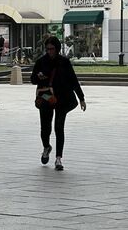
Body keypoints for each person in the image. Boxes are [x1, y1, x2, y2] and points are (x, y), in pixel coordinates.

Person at [31, 36, 86, 171]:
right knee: (45, 128)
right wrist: (38, 77)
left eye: (52, 49)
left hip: (62, 98)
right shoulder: (41, 62)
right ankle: (46, 147)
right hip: (46, 98)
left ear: (57, 49)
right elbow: (32, 79)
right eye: (47, 49)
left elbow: (73, 80)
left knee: (59, 128)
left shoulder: (64, 62)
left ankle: (58, 158)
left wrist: (81, 98)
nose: (49, 51)